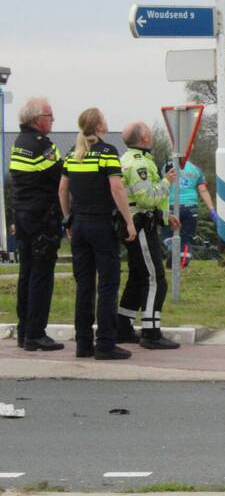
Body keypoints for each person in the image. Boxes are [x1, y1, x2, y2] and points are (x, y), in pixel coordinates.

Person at [58, 108, 136, 360]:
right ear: (101, 126)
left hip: (79, 224)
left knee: (84, 286)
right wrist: (129, 221)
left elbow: (62, 189)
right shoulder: (108, 152)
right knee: (108, 284)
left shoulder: (72, 154)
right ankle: (105, 343)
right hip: (101, 224)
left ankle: (83, 344)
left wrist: (68, 218)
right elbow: (117, 188)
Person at [117, 122, 181, 349]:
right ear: (144, 137)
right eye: (149, 132)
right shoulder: (139, 164)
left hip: (139, 223)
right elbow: (145, 198)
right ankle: (151, 332)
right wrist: (166, 182)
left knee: (137, 277)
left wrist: (164, 217)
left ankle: (122, 326)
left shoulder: (126, 159)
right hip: (141, 226)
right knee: (156, 279)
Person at [9, 97, 64, 351]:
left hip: (22, 216)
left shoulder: (19, 143)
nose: (52, 120)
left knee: (26, 274)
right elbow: (61, 176)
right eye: (50, 116)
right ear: (36, 120)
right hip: (42, 218)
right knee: (42, 276)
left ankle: (23, 332)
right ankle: (36, 334)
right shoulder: (43, 145)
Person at [163, 157, 214, 267]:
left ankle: (172, 247)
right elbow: (203, 190)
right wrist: (211, 209)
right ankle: (184, 261)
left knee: (167, 232)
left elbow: (163, 184)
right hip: (190, 207)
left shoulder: (167, 166)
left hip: (171, 205)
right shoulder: (196, 169)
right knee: (187, 237)